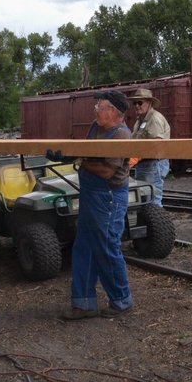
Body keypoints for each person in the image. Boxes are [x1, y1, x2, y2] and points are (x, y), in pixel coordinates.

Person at [56, 90, 134, 320]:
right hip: (91, 194)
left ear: (114, 112)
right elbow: (85, 150)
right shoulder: (96, 127)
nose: (96, 110)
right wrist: (69, 153)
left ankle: (122, 300)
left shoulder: (120, 135)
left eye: (100, 106)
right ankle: (84, 303)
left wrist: (78, 160)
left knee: (107, 246)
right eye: (97, 106)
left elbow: (107, 171)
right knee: (84, 246)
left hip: (108, 196)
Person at [130, 88, 171, 206]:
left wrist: (136, 157)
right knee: (145, 198)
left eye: (140, 102)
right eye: (135, 103)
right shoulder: (140, 120)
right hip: (145, 164)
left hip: (153, 163)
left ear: (149, 103)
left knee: (153, 200)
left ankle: (158, 224)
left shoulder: (154, 119)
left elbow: (157, 144)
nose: (137, 106)